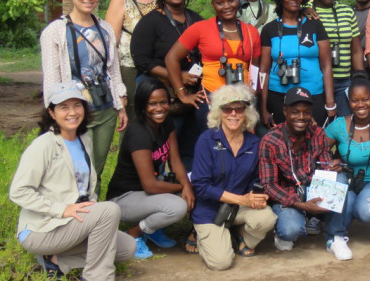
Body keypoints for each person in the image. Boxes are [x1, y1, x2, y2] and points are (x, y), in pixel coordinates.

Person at [9, 81, 135, 281]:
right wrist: (61, 209)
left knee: (127, 247)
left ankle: (56, 260)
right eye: (63, 107)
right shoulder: (44, 145)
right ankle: (96, 280)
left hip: (71, 223)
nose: (72, 112)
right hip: (42, 229)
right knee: (110, 210)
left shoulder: (84, 140)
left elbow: (84, 187)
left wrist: (86, 214)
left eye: (77, 105)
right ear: (51, 112)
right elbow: (18, 191)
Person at [40, 0, 127, 187]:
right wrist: (55, 114)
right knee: (75, 168)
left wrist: (120, 106)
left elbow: (113, 70)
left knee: (96, 167)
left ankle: (95, 215)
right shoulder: (55, 31)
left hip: (105, 109)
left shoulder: (105, 28)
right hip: (74, 112)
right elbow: (52, 79)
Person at [259, 87, 352, 259]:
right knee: (290, 230)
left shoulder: (317, 133)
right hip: (287, 194)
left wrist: (331, 168)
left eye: (306, 112)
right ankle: (284, 231)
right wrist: (300, 205)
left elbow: (324, 165)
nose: (301, 117)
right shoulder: (271, 140)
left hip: (312, 188)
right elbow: (269, 185)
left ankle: (335, 237)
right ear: (285, 111)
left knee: (339, 179)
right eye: (295, 112)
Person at [106, 77, 194, 260]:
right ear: (141, 106)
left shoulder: (166, 123)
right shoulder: (138, 133)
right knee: (178, 206)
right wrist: (182, 188)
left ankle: (152, 229)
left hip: (148, 192)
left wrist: (187, 184)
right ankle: (134, 233)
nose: (159, 108)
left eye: (163, 102)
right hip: (125, 198)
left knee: (194, 186)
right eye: (152, 104)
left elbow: (175, 161)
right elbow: (150, 186)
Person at [190, 84, 276, 270]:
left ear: (247, 113)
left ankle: (241, 237)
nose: (234, 114)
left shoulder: (254, 142)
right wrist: (242, 199)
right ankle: (203, 235)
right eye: (227, 109)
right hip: (210, 210)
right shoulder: (206, 140)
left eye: (239, 109)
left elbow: (256, 179)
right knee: (221, 263)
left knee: (267, 218)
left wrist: (257, 197)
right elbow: (200, 186)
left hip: (238, 208)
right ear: (218, 113)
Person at [130, 0, 203, 169]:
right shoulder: (150, 22)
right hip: (158, 90)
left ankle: (188, 185)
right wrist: (177, 76)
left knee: (190, 143)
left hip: (191, 91)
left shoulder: (197, 20)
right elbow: (141, 60)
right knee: (158, 144)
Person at [165, 0, 261, 130]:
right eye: (220, 2)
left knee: (242, 146)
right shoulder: (200, 28)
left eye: (231, 0)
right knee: (212, 146)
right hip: (211, 99)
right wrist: (182, 94)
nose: (227, 6)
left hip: (242, 100)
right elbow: (171, 58)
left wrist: (254, 88)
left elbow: (255, 65)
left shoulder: (250, 31)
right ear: (213, 5)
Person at [324, 77, 370, 241]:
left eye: (365, 99)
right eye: (355, 100)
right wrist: (332, 162)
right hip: (348, 180)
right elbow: (318, 150)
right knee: (347, 203)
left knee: (366, 212)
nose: (360, 105)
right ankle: (336, 238)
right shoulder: (338, 126)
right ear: (348, 101)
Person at [260, 0, 334, 127]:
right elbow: (264, 71)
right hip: (279, 95)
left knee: (312, 140)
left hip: (313, 93)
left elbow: (326, 66)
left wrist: (330, 102)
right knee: (282, 140)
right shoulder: (270, 29)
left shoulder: (314, 25)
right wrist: (263, 107)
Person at [104, 0, 158, 122]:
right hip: (130, 68)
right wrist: (116, 83)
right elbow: (111, 42)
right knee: (134, 119)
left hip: (158, 66)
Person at [309, 0, 364, 116]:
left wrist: (360, 78)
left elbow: (356, 50)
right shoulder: (305, 10)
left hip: (344, 81)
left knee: (345, 126)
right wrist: (302, 10)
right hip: (317, 82)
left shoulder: (346, 11)